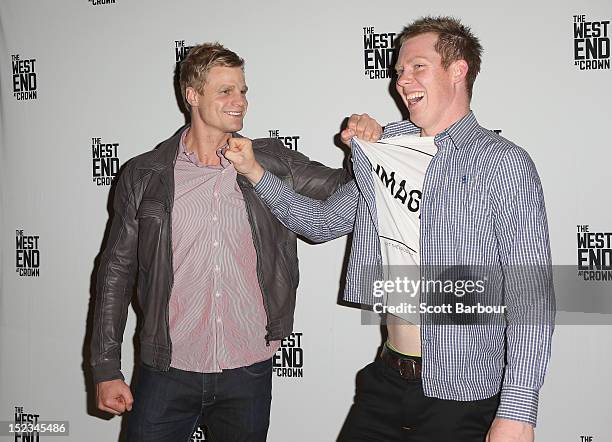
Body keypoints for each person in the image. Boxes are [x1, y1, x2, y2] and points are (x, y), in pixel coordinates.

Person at [225, 16, 555, 442]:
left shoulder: (502, 162)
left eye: (418, 66)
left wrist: (518, 410)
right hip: (387, 378)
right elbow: (321, 223)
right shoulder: (385, 153)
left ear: (458, 71)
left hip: (462, 394)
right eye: (399, 70)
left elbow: (531, 295)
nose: (402, 80)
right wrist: (254, 171)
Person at [90, 42, 354, 442]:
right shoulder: (145, 174)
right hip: (167, 369)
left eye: (243, 90)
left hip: (247, 370)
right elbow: (116, 273)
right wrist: (106, 368)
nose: (240, 101)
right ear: (192, 96)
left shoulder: (271, 161)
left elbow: (343, 189)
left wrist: (361, 149)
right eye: (226, 91)